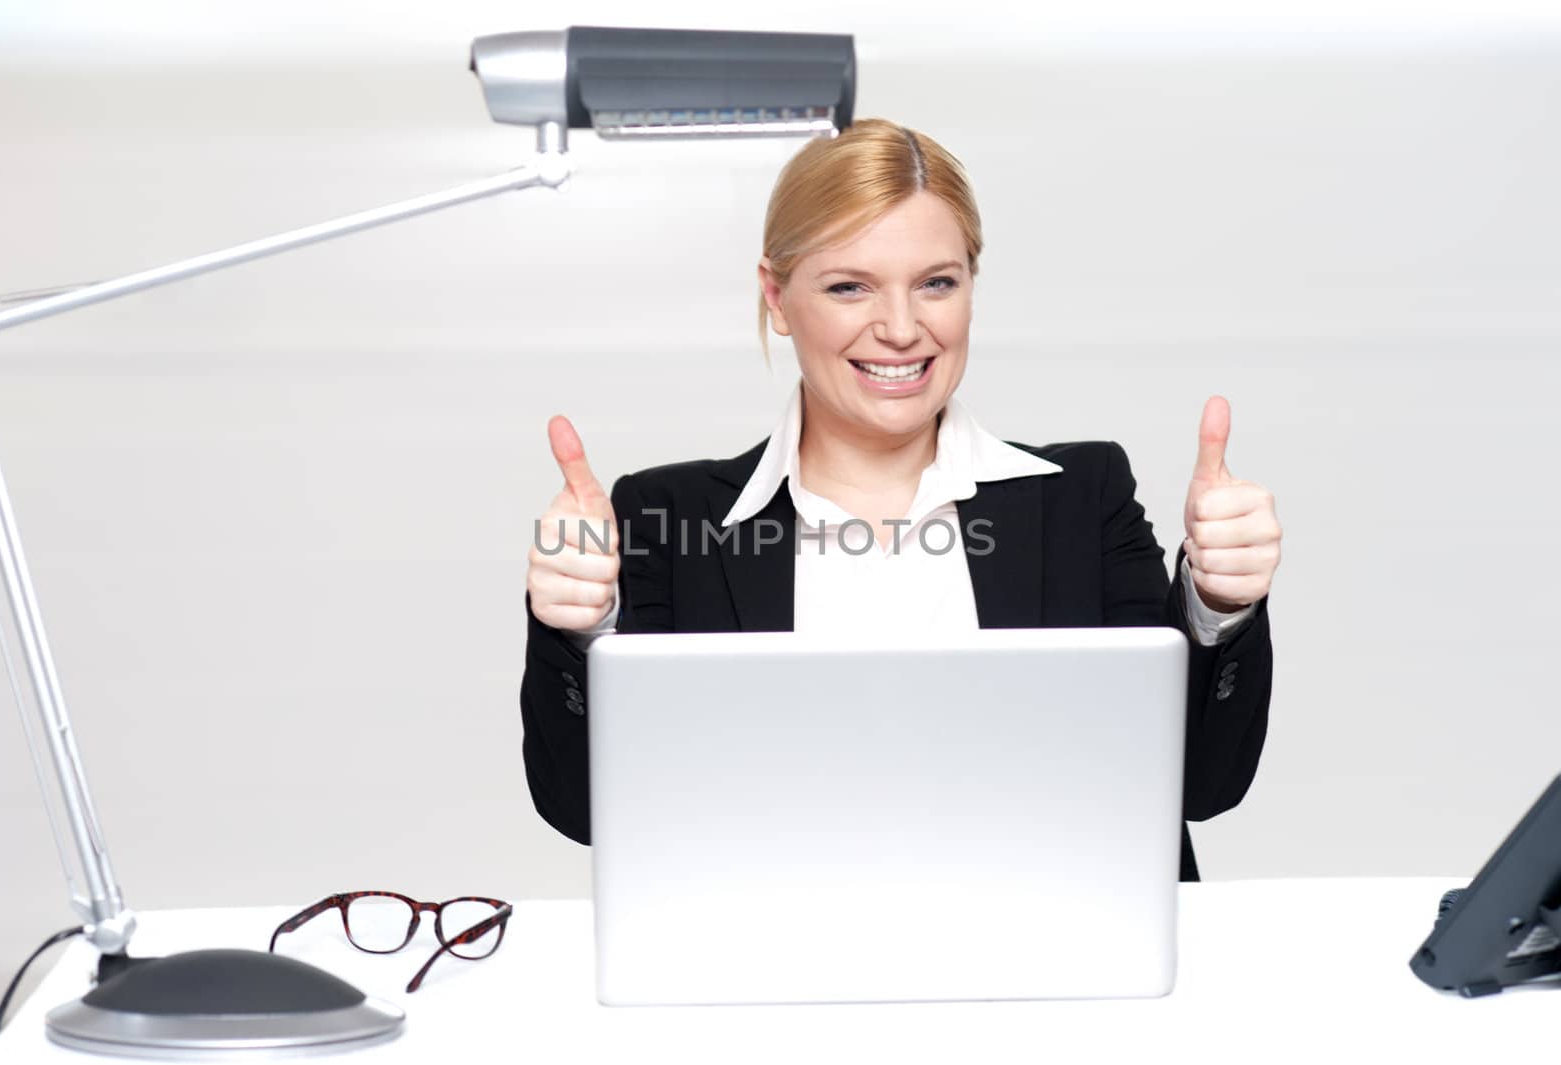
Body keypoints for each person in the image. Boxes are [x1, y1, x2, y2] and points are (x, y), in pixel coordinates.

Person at [520, 118, 1280, 881]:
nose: (901, 328)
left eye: (936, 283)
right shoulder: (672, 519)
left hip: (1058, 965)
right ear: (777, 296)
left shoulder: (1081, 500)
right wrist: (583, 632)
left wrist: (1219, 601)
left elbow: (1200, 784)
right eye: (850, 286)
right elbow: (585, 810)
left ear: (971, 289)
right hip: (776, 970)